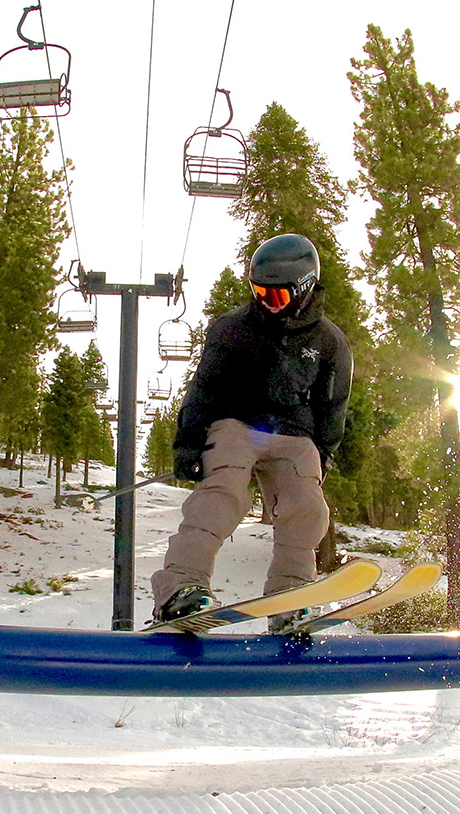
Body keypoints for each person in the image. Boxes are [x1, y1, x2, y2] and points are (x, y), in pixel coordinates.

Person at [150, 233, 352, 629]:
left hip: (294, 434)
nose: (264, 302)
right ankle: (181, 587)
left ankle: (291, 595)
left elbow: (333, 404)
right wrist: (188, 443)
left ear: (303, 288)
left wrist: (323, 452)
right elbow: (204, 388)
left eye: (275, 295)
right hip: (237, 423)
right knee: (223, 492)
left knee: (307, 506)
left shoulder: (330, 342)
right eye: (258, 291)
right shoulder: (231, 329)